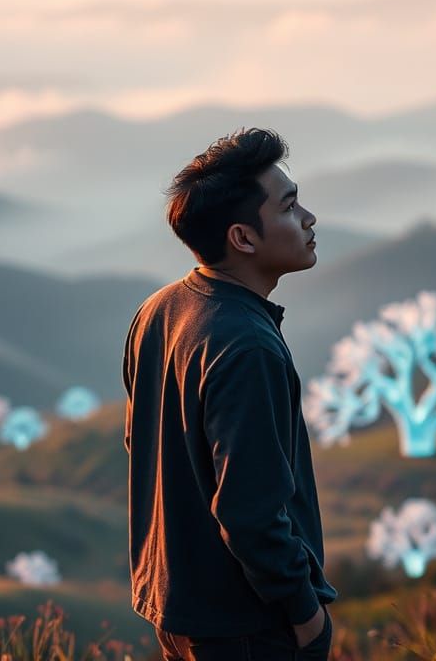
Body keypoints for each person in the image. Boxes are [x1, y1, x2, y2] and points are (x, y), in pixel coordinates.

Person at [122, 128, 337, 661]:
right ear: (243, 237)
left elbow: (140, 442)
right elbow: (249, 510)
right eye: (289, 208)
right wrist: (305, 614)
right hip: (246, 625)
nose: (308, 218)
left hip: (176, 607)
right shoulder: (246, 345)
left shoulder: (159, 311)